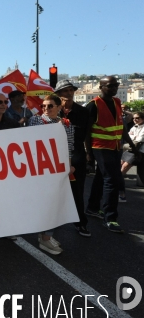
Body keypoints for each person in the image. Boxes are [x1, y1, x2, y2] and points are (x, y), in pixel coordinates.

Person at [85, 76, 140, 233]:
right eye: (110, 86)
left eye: (116, 85)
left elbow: (121, 127)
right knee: (112, 180)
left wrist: (132, 146)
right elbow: (87, 132)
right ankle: (110, 218)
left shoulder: (116, 102)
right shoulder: (93, 105)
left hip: (115, 147)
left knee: (101, 177)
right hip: (100, 147)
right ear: (101, 87)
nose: (114, 88)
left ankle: (93, 208)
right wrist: (89, 153)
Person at [28, 94, 74, 255]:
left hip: (58, 168)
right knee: (44, 202)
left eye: (50, 106)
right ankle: (45, 237)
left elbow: (69, 146)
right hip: (40, 168)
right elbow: (32, 140)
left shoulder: (67, 124)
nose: (45, 109)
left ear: (59, 107)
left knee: (55, 201)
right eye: (43, 106)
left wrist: (68, 166)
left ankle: (46, 236)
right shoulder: (36, 120)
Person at [56, 80, 91, 236]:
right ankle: (51, 224)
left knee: (77, 191)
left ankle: (80, 223)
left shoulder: (83, 112)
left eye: (71, 90)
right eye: (65, 91)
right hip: (54, 157)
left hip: (76, 156)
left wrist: (89, 153)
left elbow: (87, 135)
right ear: (58, 94)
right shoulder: (52, 111)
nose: (69, 93)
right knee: (54, 192)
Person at [119, 111, 144, 201]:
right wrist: (132, 140)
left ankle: (121, 194)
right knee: (120, 166)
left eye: (137, 118)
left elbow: (138, 141)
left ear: (142, 119)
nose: (135, 120)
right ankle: (118, 190)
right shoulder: (134, 127)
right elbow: (129, 137)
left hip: (138, 151)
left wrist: (130, 140)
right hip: (130, 149)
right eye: (134, 118)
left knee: (122, 170)